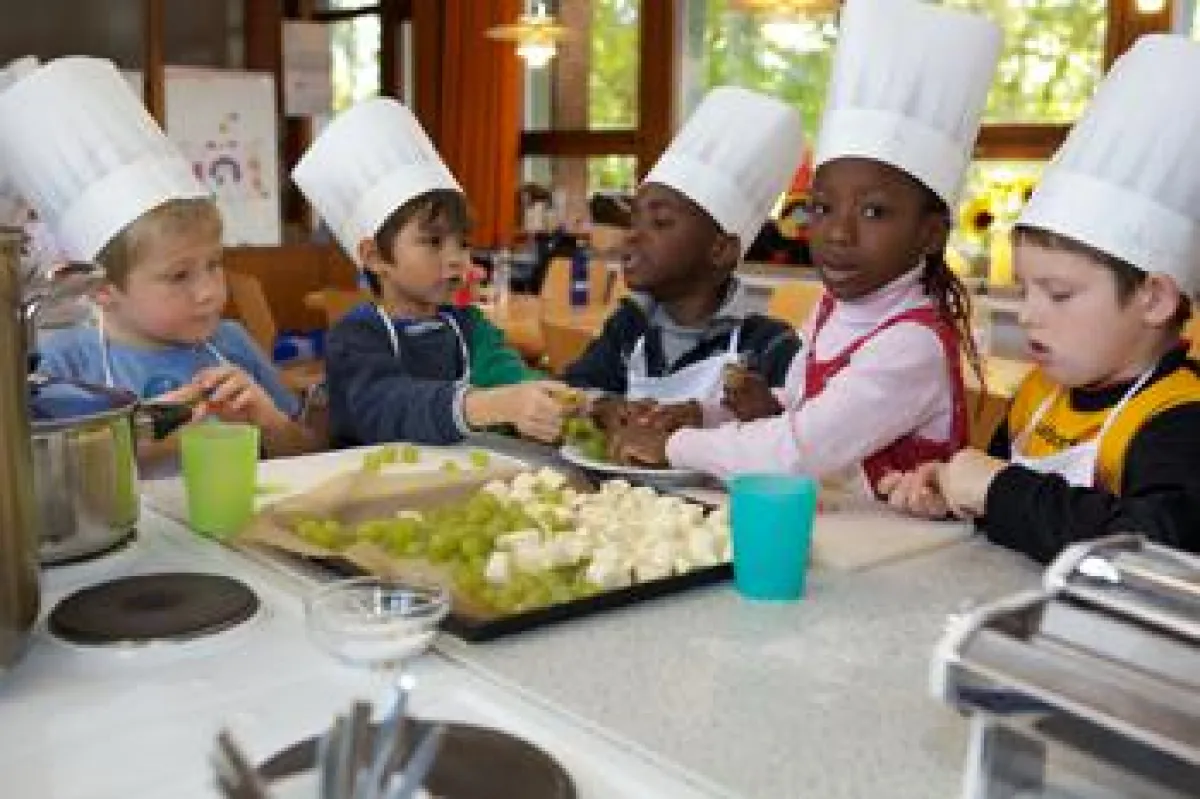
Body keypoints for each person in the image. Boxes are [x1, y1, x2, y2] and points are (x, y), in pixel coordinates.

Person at [608, 0, 1001, 499]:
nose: (838, 233)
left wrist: (674, 444)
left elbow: (800, 449)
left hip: (908, 544)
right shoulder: (833, 308)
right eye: (821, 208)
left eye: (874, 212)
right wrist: (705, 412)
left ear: (930, 233)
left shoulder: (911, 345)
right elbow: (800, 407)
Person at [881, 35, 1200, 561]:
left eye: (1059, 294)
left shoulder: (1179, 418)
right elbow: (1008, 505)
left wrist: (995, 490)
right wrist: (955, 494)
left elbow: (1149, 550)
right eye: (1025, 289)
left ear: (1154, 299)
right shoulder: (1040, 393)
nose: (1028, 315)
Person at [0, 57, 317, 472]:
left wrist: (270, 422)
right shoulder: (64, 365)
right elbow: (37, 480)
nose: (208, 292)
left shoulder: (231, 345)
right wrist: (136, 442)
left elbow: (308, 455)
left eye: (214, 264)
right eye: (179, 276)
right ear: (101, 288)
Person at [292, 98, 567, 447]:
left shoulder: (469, 326)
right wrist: (484, 406)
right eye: (434, 242)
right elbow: (390, 405)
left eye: (463, 243)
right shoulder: (355, 337)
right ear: (375, 257)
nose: (456, 259)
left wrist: (549, 399)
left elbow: (507, 375)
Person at [563, 87, 803, 426]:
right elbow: (573, 390)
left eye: (660, 223)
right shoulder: (630, 326)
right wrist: (602, 407)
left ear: (720, 250)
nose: (632, 235)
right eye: (633, 220)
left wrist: (768, 416)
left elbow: (796, 433)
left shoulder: (767, 346)